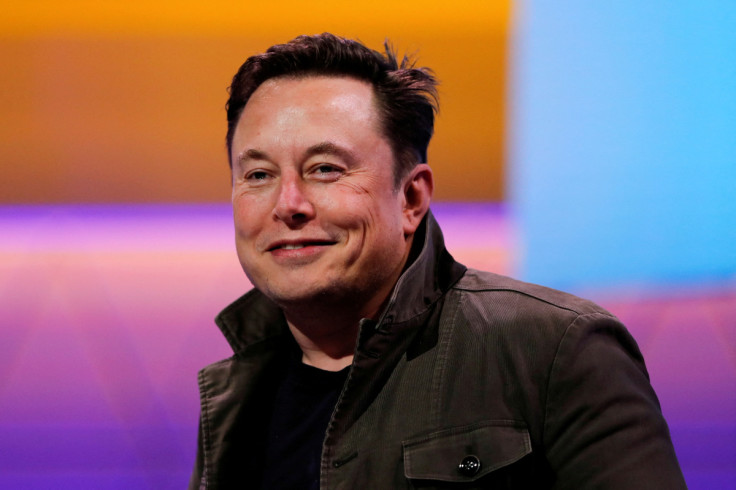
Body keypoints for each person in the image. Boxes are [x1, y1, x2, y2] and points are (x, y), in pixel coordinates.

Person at [190, 33, 686, 489]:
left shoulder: (556, 350)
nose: (287, 203)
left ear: (410, 197)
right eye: (257, 174)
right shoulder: (234, 397)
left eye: (325, 169)